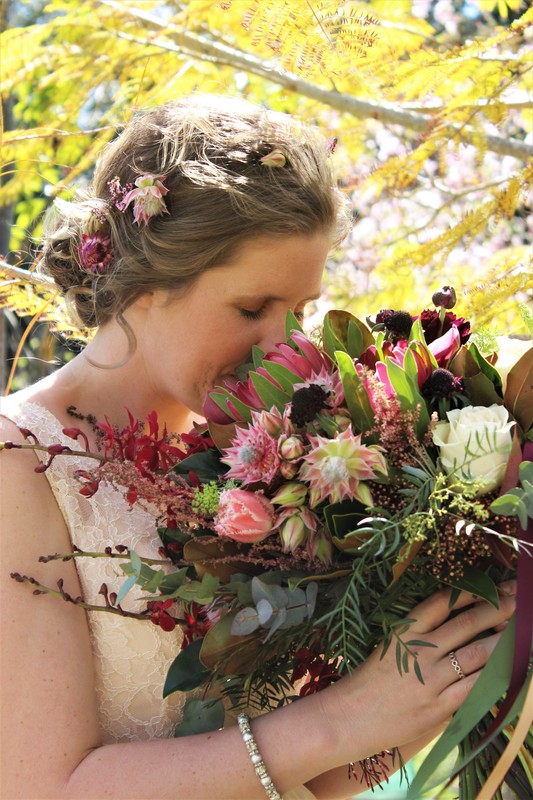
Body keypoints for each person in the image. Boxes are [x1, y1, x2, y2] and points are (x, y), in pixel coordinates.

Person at [0, 95, 516, 800]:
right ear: (144, 280)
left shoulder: (279, 461)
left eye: (299, 311)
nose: (288, 345)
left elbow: (310, 777)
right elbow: (39, 787)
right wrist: (343, 719)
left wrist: (452, 669)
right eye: (251, 308)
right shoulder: (21, 463)